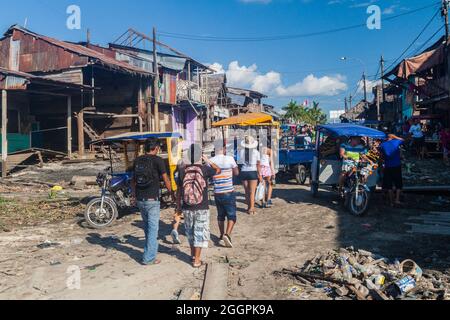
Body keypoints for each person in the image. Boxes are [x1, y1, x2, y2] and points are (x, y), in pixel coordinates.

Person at [175, 144, 221, 268]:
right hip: (202, 206)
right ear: (199, 156)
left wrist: (178, 206)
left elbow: (179, 190)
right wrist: (207, 160)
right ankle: (197, 260)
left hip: (187, 207)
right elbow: (218, 170)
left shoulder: (182, 169)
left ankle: (192, 256)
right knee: (199, 232)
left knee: (190, 232)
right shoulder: (204, 169)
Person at [132, 138, 174, 266]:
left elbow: (133, 181)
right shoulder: (158, 160)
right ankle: (149, 258)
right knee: (153, 229)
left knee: (147, 228)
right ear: (156, 148)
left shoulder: (137, 160)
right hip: (152, 200)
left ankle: (151, 249)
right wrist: (172, 193)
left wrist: (133, 196)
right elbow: (166, 179)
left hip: (140, 199)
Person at [209, 142, 239, 248]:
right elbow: (236, 173)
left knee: (220, 215)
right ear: (223, 149)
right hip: (228, 191)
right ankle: (227, 234)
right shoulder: (229, 159)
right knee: (232, 215)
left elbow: (208, 173)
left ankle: (221, 235)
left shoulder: (211, 161)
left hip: (217, 192)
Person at [239, 136, 262, 215]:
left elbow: (239, 163)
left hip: (244, 171)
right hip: (252, 172)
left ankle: (249, 207)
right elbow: (258, 164)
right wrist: (260, 175)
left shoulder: (241, 151)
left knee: (246, 191)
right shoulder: (256, 152)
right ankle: (252, 208)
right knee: (252, 192)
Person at [380, 134, 404, 207]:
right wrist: (395, 137)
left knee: (389, 185)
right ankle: (397, 200)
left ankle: (391, 202)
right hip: (396, 165)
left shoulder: (382, 145)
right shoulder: (396, 141)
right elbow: (403, 139)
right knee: (398, 183)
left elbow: (381, 156)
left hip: (388, 166)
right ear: (392, 137)